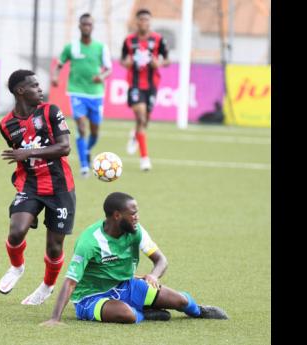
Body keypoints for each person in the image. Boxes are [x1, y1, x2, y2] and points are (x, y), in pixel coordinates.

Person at [41, 192, 228, 326]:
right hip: (91, 298)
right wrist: (55, 318)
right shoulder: (89, 241)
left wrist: (154, 275)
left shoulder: (136, 231)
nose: (137, 217)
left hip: (126, 285)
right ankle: (143, 314)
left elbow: (161, 260)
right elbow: (70, 282)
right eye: (133, 213)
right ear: (117, 215)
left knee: (180, 301)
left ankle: (200, 311)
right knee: (126, 315)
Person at [0, 69, 76, 306]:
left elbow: (64, 148)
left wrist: (29, 152)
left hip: (60, 187)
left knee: (54, 247)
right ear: (20, 91)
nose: (40, 89)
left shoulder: (51, 111)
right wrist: (19, 182)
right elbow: (20, 158)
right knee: (16, 231)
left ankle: (47, 286)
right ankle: (16, 267)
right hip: (31, 185)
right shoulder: (6, 125)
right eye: (34, 86)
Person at [52, 13, 112, 178]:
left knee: (95, 131)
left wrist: (101, 76)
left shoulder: (101, 47)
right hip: (77, 91)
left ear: (92, 27)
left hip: (96, 94)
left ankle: (86, 151)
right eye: (84, 24)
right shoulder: (71, 47)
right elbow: (60, 64)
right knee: (81, 126)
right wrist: (56, 76)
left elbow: (108, 69)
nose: (86, 27)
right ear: (79, 26)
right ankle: (84, 166)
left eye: (89, 24)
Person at [120, 9, 171, 171]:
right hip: (135, 84)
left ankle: (135, 135)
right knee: (141, 117)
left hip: (151, 85)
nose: (144, 22)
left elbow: (168, 59)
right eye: (141, 19)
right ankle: (144, 159)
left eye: (147, 20)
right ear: (137, 22)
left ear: (150, 22)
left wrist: (160, 63)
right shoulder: (129, 40)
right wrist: (126, 62)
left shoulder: (158, 40)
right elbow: (123, 59)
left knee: (145, 120)